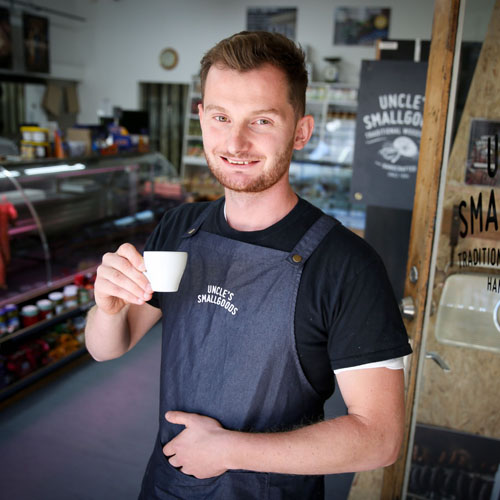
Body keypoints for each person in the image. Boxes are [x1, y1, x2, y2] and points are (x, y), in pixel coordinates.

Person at [85, 31, 412, 499]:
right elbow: (106, 348)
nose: (235, 141)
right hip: (166, 487)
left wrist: (229, 450)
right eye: (220, 117)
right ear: (200, 118)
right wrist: (108, 310)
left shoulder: (347, 266)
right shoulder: (179, 229)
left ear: (301, 130)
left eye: (260, 120)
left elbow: (380, 439)